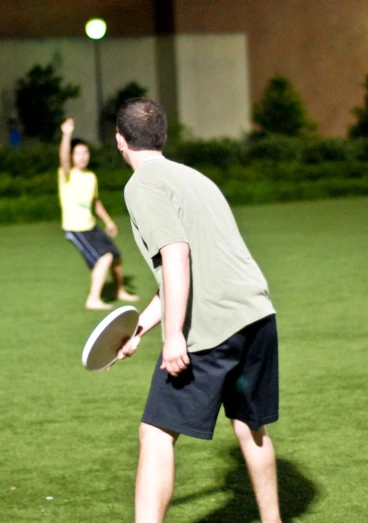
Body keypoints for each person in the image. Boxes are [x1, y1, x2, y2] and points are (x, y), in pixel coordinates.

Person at [111, 98, 281, 523]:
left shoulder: (142, 185)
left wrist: (173, 337)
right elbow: (198, 264)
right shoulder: (195, 178)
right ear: (164, 137)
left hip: (211, 327)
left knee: (154, 433)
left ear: (119, 142)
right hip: (256, 314)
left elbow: (176, 255)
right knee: (249, 424)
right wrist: (141, 329)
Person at [58, 118, 138, 310]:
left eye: (85, 152)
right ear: (71, 156)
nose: (83, 156)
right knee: (104, 258)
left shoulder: (91, 176)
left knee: (115, 256)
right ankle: (93, 299)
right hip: (75, 228)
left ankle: (119, 291)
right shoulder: (66, 173)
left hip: (90, 225)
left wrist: (108, 221)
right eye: (78, 153)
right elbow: (63, 159)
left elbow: (95, 202)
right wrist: (67, 134)